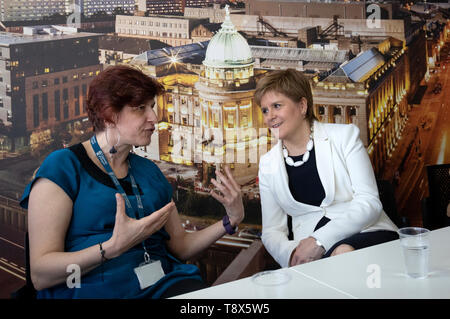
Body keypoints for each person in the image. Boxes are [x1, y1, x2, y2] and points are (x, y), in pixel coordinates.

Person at [20, 65, 244, 298]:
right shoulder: (63, 167)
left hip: (163, 287)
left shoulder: (150, 172)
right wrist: (112, 248)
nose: (154, 118)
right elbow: (41, 275)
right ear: (109, 115)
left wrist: (231, 220)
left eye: (152, 107)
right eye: (140, 109)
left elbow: (181, 247)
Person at [254, 69, 398, 268]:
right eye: (265, 110)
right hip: (309, 252)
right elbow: (271, 230)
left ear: (302, 105)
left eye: (277, 106)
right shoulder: (267, 163)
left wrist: (319, 240)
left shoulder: (345, 137)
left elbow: (369, 201)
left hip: (365, 233)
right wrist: (292, 255)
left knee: (343, 253)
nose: (270, 117)